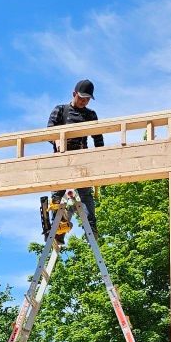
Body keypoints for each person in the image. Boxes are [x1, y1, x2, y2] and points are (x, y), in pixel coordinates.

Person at [45, 78, 102, 238]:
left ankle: (91, 229)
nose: (84, 101)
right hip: (61, 160)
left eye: (87, 99)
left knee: (85, 194)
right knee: (57, 195)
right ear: (74, 94)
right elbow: (49, 130)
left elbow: (98, 137)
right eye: (81, 98)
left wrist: (101, 157)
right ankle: (57, 231)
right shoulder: (60, 110)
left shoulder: (90, 115)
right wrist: (56, 139)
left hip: (81, 160)